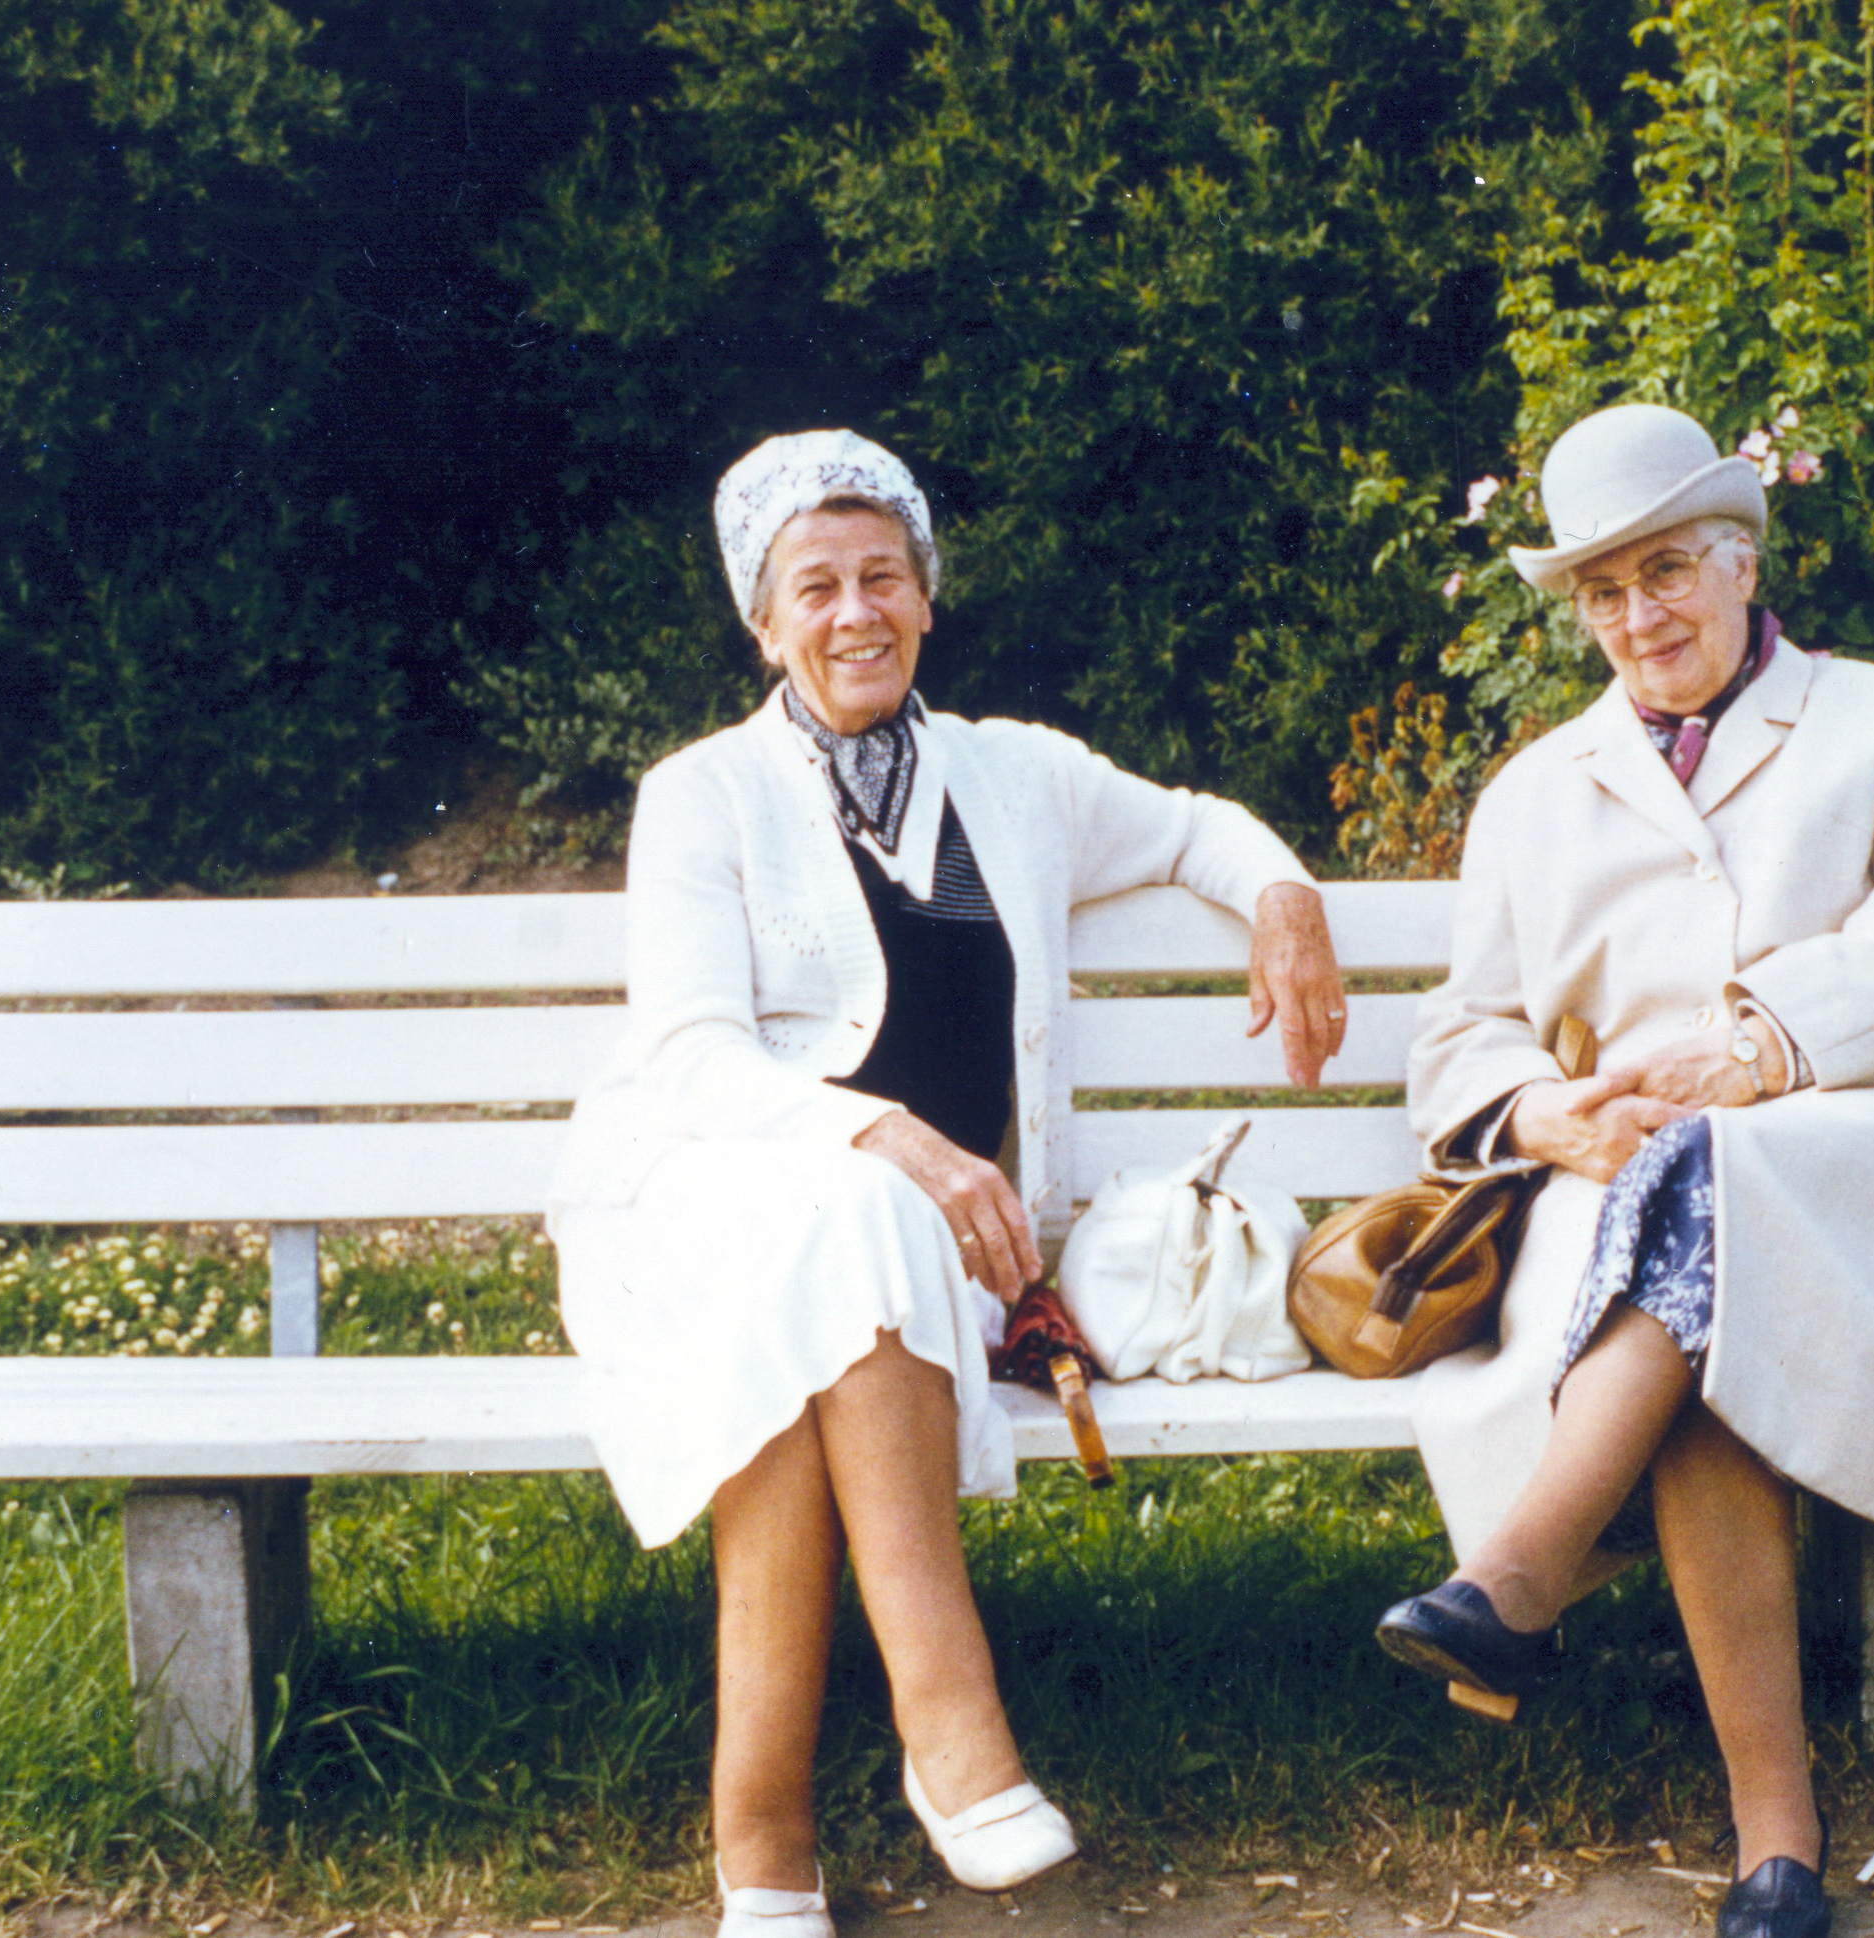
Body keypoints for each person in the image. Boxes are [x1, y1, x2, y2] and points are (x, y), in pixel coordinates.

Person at [549, 430, 1346, 1938]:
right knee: (848, 1214)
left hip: (925, 1255)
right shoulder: (700, 796)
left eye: (883, 577)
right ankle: (950, 1726)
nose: (855, 612)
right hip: (706, 1210)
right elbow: (695, 1059)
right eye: (815, 587)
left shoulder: (1014, 774)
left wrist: (1285, 896)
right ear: (763, 622)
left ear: (926, 596)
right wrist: (891, 1134)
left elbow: (1191, 826)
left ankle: (763, 1841)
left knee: (825, 1307)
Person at [1379, 405, 1874, 1938]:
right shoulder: (1539, 787)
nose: (1637, 616)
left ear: (1741, 561)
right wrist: (1547, 1118)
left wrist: (1758, 1049)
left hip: (1872, 1153)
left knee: (1718, 1195)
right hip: (1631, 1196)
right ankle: (1775, 1843)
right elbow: (1461, 1034)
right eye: (1603, 591)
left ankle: (1520, 1566)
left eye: (1665, 571)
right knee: (1705, 1288)